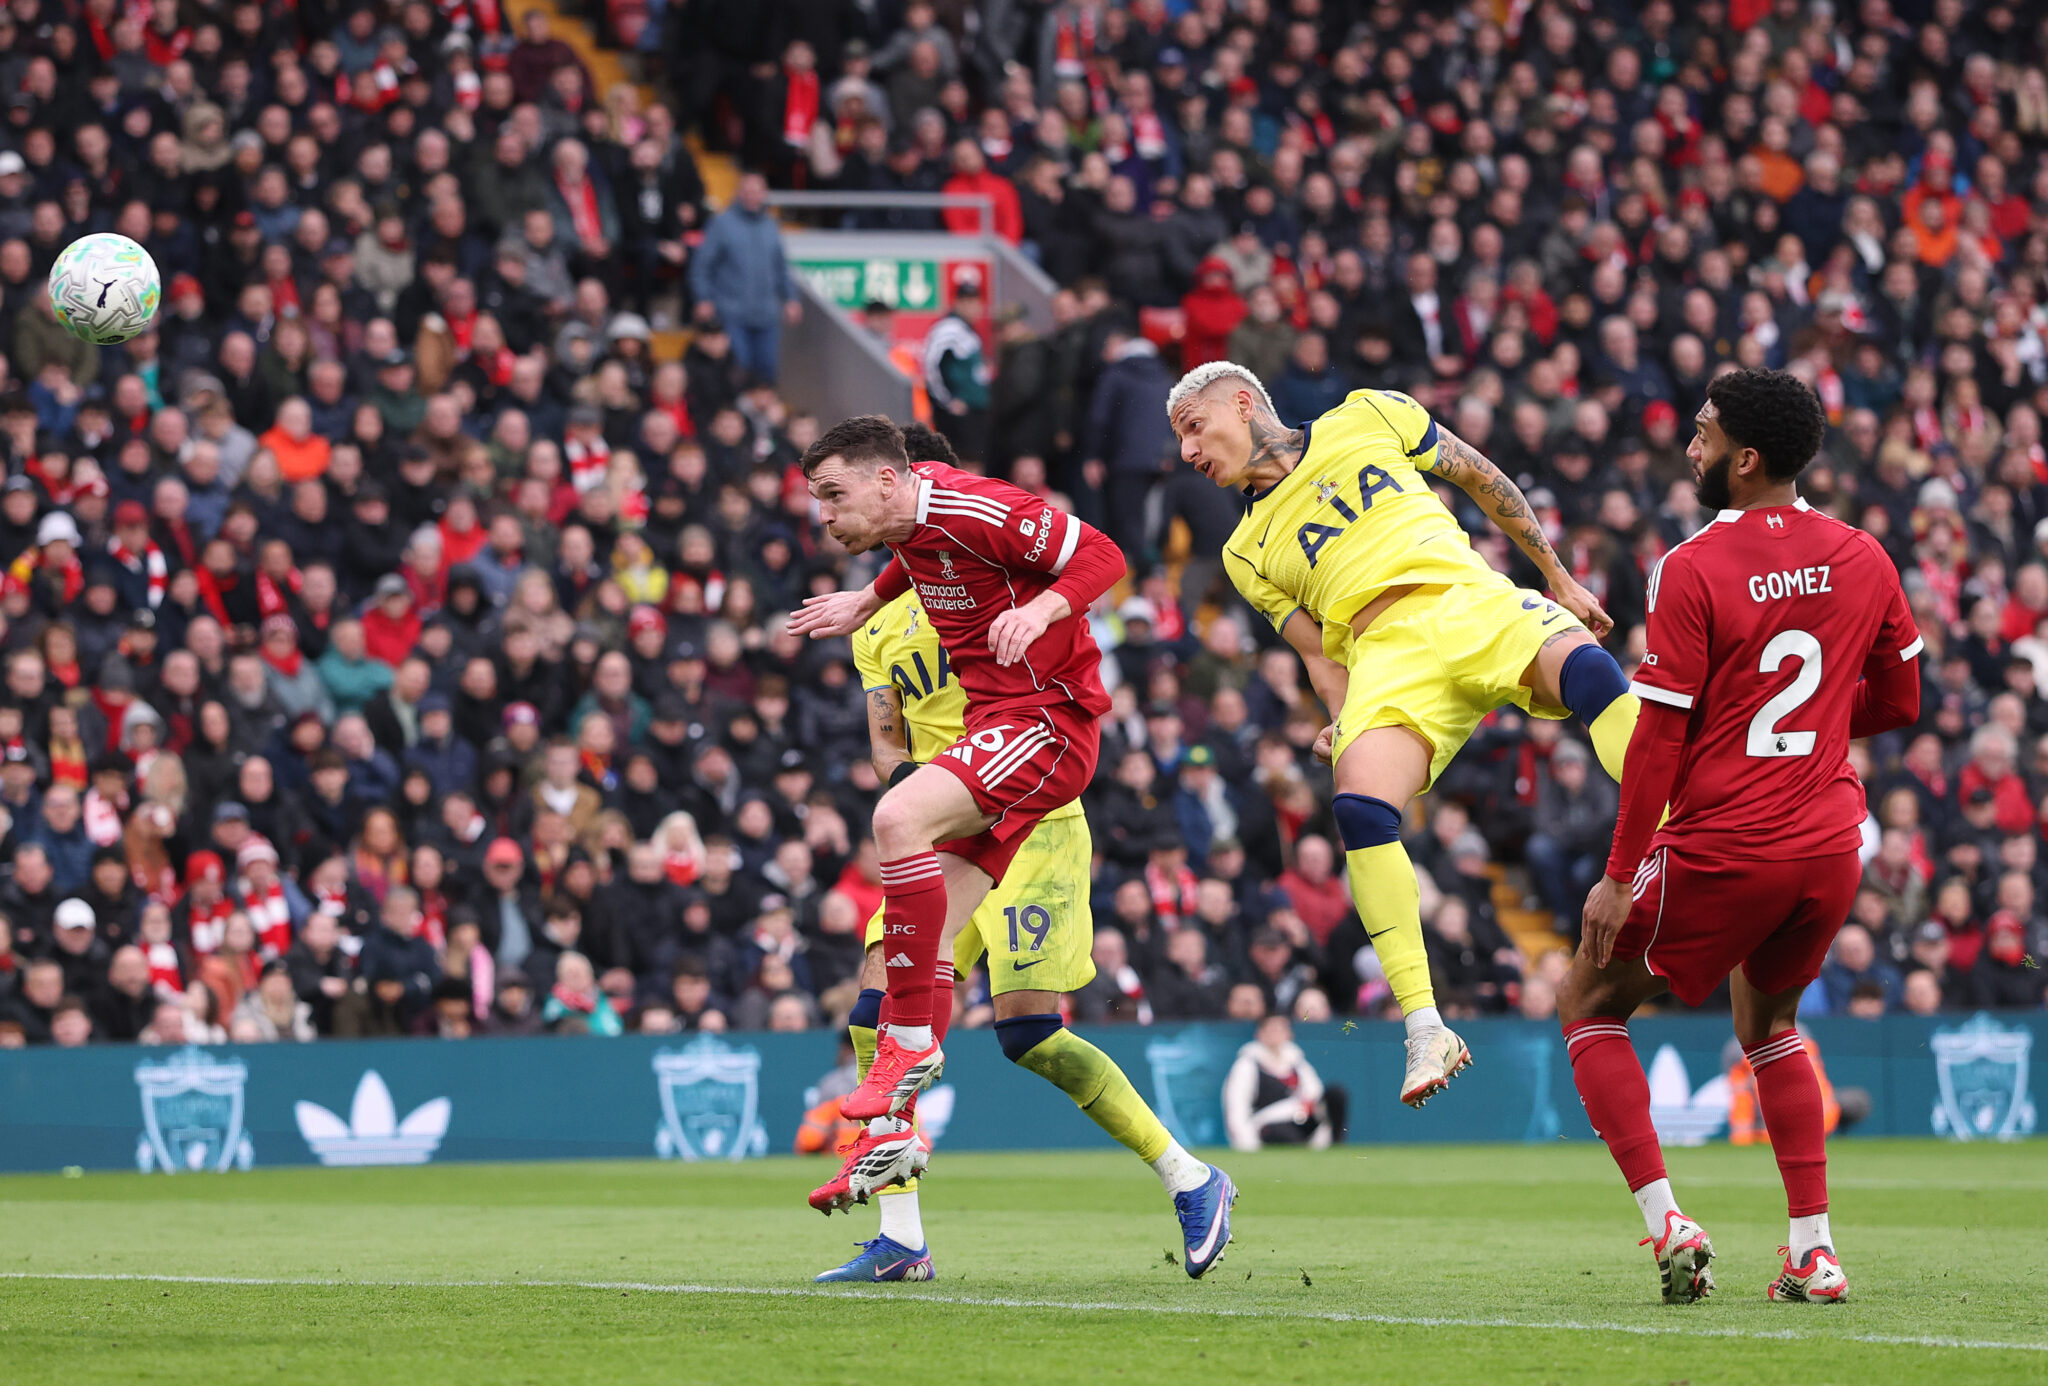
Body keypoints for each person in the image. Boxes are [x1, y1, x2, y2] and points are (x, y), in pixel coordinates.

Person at [789, 415, 1235, 1279]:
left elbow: (1090, 555)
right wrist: (866, 613)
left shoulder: (980, 529)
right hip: (942, 806)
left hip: (1034, 793)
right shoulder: (890, 600)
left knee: (1028, 1033)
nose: (827, 518)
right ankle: (901, 1230)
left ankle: (1186, 1175)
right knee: (873, 1009)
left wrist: (1043, 611)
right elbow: (887, 738)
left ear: (905, 482)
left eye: (838, 497)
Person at [1167, 362, 1639, 1107]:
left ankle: (1687, 835)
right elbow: (1318, 651)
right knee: (1358, 806)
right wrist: (1341, 716)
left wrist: (1558, 577)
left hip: (1469, 600)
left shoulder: (1369, 414)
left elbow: (1485, 479)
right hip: (1384, 656)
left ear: (1242, 401)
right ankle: (1425, 1024)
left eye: (1194, 428)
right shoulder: (1243, 552)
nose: (1189, 452)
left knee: (1592, 672)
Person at [1562, 369, 1922, 1306]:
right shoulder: (1864, 554)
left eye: (1705, 433)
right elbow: (1901, 697)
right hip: (1831, 844)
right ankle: (1814, 1252)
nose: (1692, 447)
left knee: (1588, 999)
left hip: (1729, 844)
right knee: (1770, 1027)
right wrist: (1809, 744)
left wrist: (1617, 874)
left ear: (1745, 458)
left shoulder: (1689, 567)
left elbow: (1658, 740)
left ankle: (1667, 1223)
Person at [1223, 1013, 1345, 1151]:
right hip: (1269, 1124)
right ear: (1260, 1034)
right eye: (1272, 1029)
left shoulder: (1297, 1062)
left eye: (1281, 1029)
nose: (1277, 1034)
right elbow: (1237, 1107)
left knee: (1336, 1094)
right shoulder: (1248, 1065)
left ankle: (1336, 1146)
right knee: (1285, 1135)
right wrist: (1246, 1144)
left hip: (1301, 1119)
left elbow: (1315, 1093)